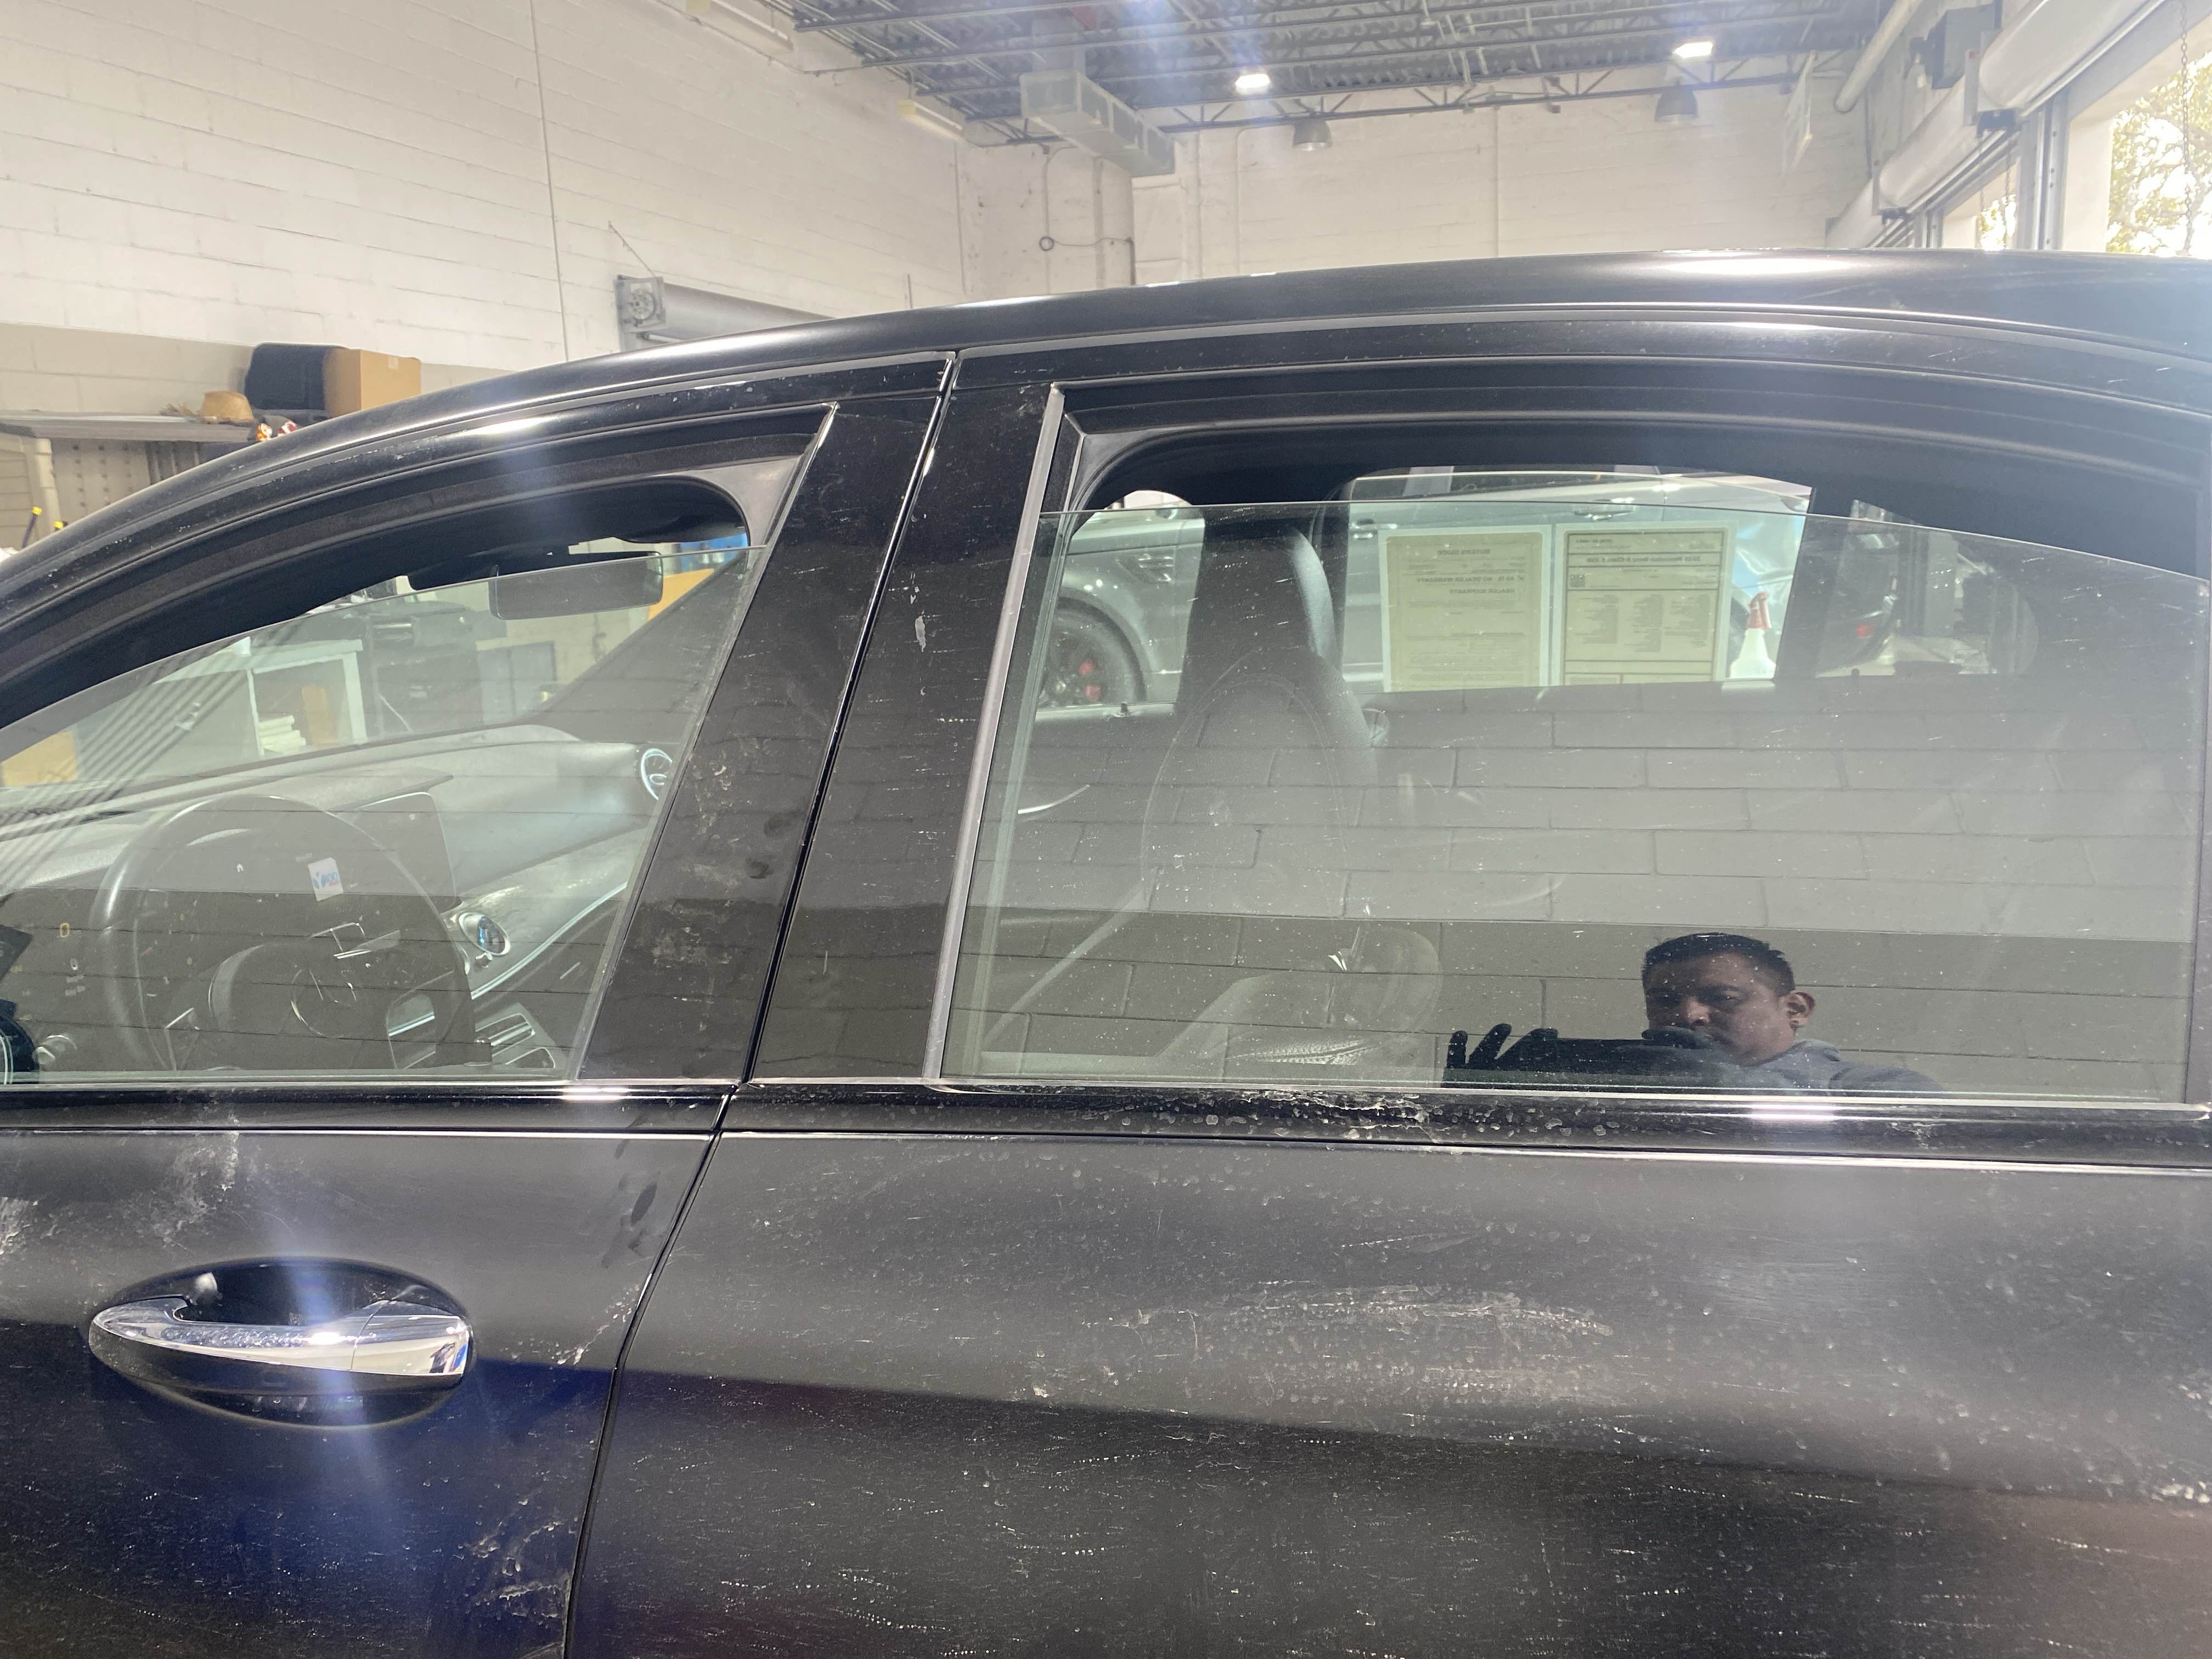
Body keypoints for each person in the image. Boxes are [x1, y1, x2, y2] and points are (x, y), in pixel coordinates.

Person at [1640, 932, 1939, 1094]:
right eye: (1665, 1000)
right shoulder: (1633, 1083)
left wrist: (1715, 1080)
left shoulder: (1878, 1087)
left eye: (1724, 998)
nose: (1689, 1015)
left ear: (1795, 1009)